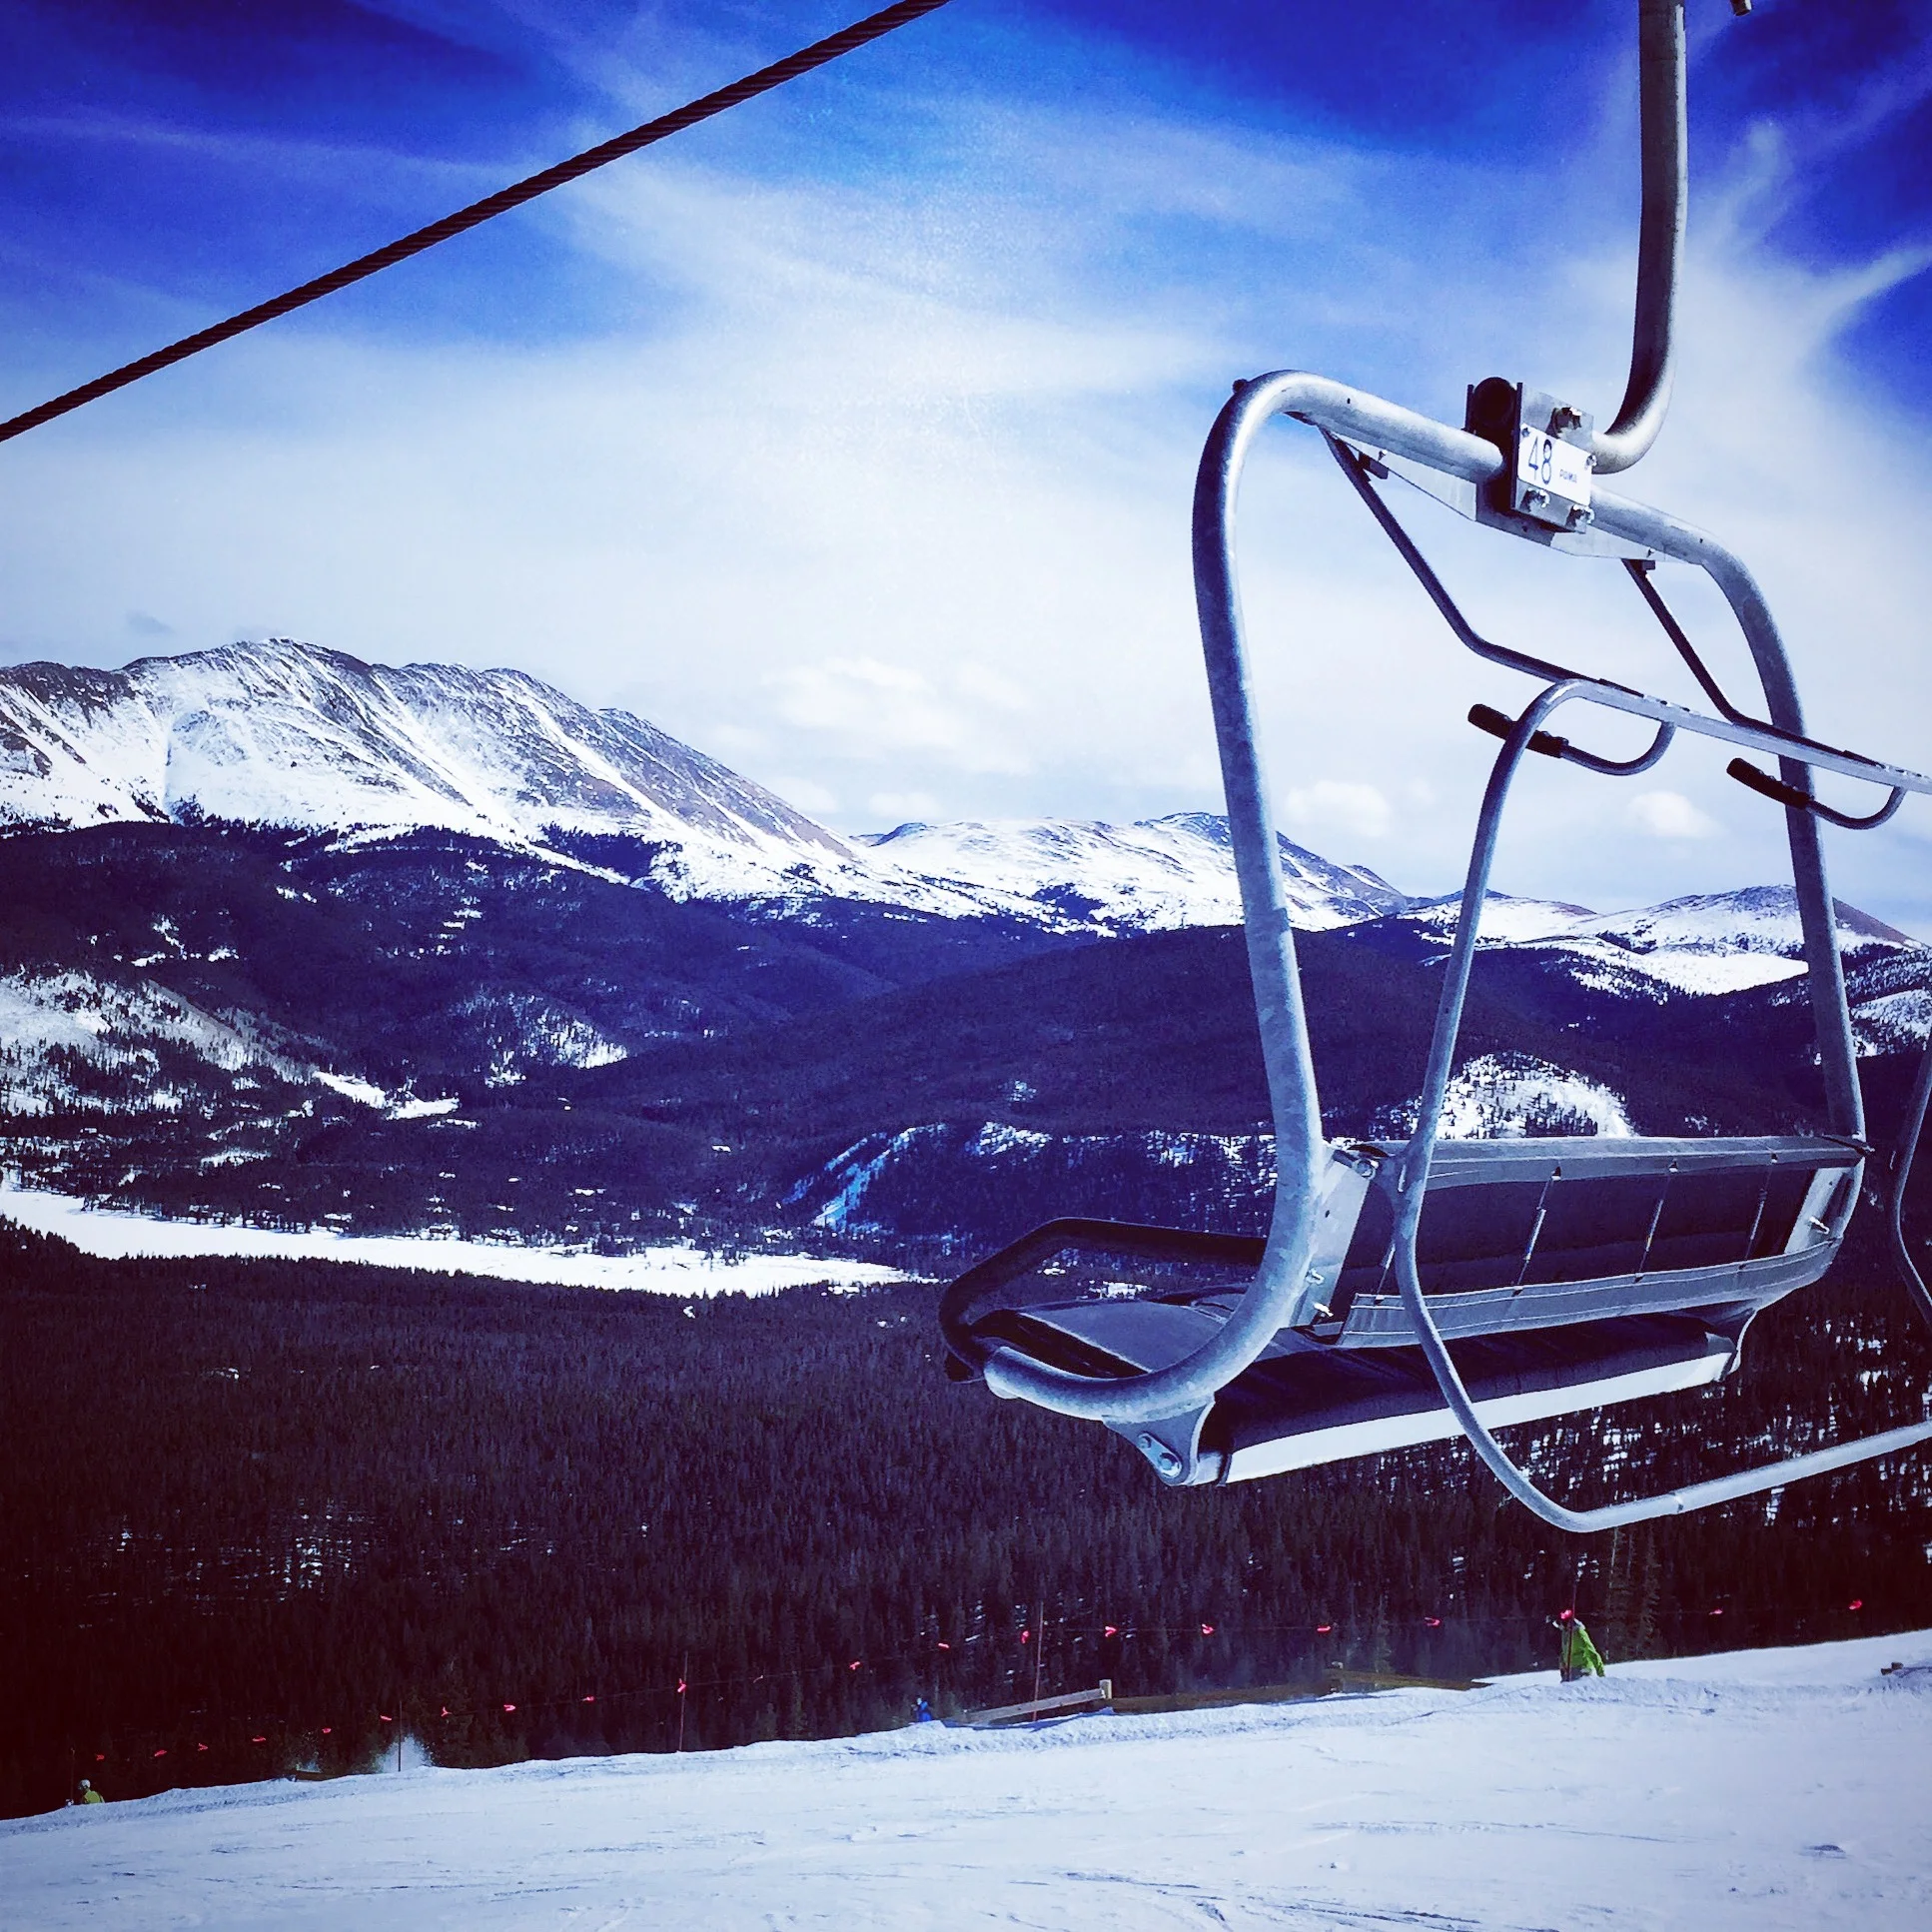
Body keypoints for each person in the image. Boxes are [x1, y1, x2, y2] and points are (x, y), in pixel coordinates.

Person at [1556, 1609, 1605, 1681]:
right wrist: (1563, 1665)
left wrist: (1601, 1673)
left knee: (1569, 1688)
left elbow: (1591, 1651)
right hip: (1570, 1669)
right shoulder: (1565, 1633)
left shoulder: (1578, 1632)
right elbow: (1564, 1652)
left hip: (1582, 1668)